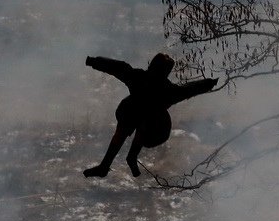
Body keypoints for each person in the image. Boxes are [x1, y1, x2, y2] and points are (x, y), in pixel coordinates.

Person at [83, 52, 218, 178]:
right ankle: (107, 165)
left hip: (155, 128)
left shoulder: (142, 79)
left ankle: (126, 158)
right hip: (135, 115)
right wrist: (209, 83)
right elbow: (190, 88)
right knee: (130, 117)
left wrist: (94, 61)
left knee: (142, 120)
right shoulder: (167, 90)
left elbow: (118, 67)